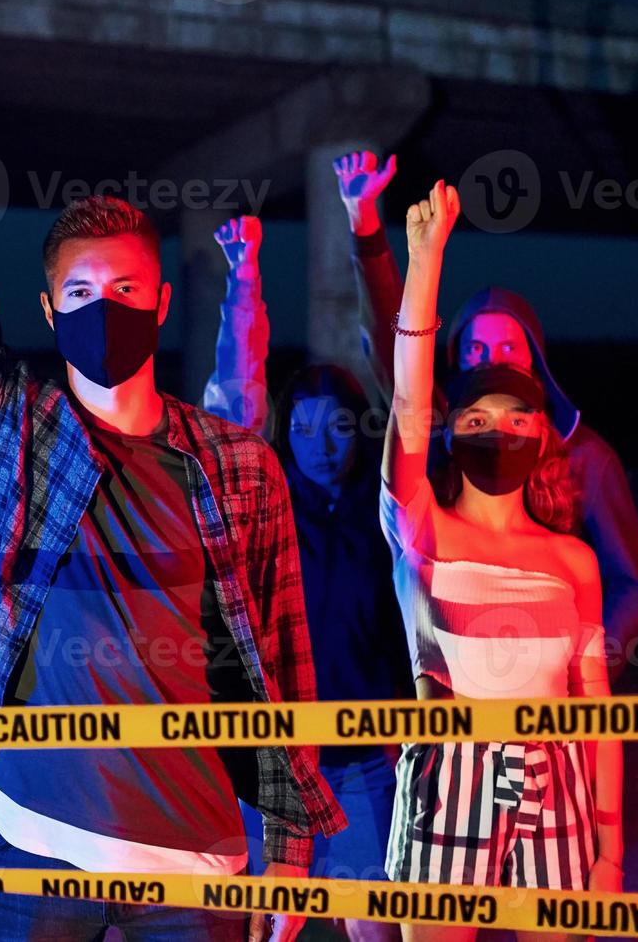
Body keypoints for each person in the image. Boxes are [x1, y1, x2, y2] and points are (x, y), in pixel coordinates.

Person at [0, 0, 344, 940]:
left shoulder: (237, 466)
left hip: (197, 865)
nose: (99, 308)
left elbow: (282, 659)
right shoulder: (15, 434)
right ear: (45, 311)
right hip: (32, 846)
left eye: (122, 291)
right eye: (77, 294)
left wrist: (290, 837)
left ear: (159, 302)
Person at [381, 183, 623, 940]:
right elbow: (408, 403)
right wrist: (425, 262)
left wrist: (610, 850)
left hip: (562, 785)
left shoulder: (572, 560)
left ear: (544, 436)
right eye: (478, 417)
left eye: (519, 418)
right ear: (450, 434)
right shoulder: (422, 532)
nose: (500, 430)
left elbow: (601, 718)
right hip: (449, 776)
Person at [334, 151, 638, 675]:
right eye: (476, 352)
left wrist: (588, 674)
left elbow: (632, 581)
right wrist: (366, 226)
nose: (493, 364)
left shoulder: (586, 454)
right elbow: (400, 355)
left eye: (508, 350)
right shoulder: (439, 435)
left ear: (535, 359)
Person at [206, 217, 410, 942]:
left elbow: (406, 383)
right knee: (262, 931)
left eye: (338, 428)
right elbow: (234, 391)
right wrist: (244, 279)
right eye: (301, 427)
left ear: (362, 429)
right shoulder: (263, 507)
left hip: (363, 763)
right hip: (272, 761)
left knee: (374, 931)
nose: (318, 444)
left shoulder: (388, 519)